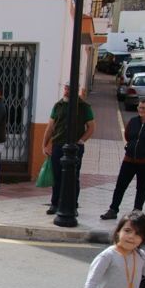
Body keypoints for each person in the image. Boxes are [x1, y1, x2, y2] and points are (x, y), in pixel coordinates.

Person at [101, 99, 145, 220]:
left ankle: (137, 211)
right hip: (129, 159)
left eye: (144, 108)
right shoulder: (133, 121)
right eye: (140, 107)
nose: (141, 110)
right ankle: (113, 209)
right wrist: (132, 146)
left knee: (141, 187)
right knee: (120, 185)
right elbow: (128, 136)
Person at [42, 83, 95, 215]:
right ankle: (55, 203)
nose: (66, 91)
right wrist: (45, 145)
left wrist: (81, 141)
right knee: (57, 176)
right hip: (58, 145)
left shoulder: (84, 107)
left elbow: (91, 127)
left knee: (73, 177)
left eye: (69, 89)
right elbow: (50, 127)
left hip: (75, 148)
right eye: (65, 88)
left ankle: (73, 205)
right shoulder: (58, 105)